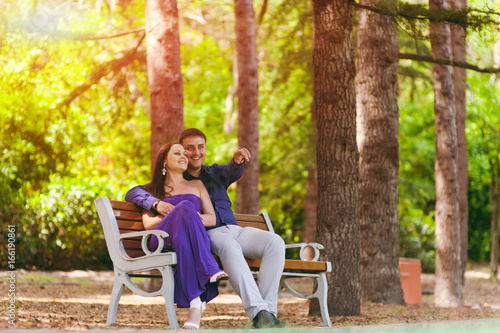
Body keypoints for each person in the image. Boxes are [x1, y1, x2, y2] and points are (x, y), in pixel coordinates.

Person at [125, 128, 286, 328]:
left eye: (200, 147)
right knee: (227, 245)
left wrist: (236, 162)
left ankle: (267, 313)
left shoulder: (212, 174)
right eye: (187, 149)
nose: (193, 153)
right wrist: (157, 204)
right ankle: (257, 310)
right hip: (208, 234)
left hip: (234, 229)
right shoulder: (161, 187)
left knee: (275, 242)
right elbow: (135, 193)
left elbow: (230, 172)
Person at [140, 141, 229, 330]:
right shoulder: (152, 191)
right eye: (177, 153)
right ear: (164, 161)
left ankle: (195, 304)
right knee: (186, 207)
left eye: (184, 154)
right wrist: (179, 214)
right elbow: (148, 225)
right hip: (161, 240)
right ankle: (209, 267)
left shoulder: (197, 184)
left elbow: (211, 219)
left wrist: (189, 218)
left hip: (187, 240)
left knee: (184, 238)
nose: (184, 156)